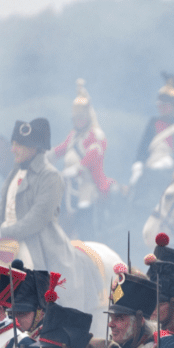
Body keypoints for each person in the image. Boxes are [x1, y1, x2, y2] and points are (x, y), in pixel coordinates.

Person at [0, 118, 64, 272]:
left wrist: (1, 233)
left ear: (33, 148)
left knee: (28, 274)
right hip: (6, 239)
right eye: (13, 144)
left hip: (35, 243)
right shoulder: (14, 172)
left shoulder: (50, 177)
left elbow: (37, 219)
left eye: (18, 145)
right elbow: (1, 210)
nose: (13, 149)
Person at [52, 79, 112, 239]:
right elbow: (61, 149)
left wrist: (78, 168)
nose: (79, 121)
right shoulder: (73, 135)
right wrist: (48, 156)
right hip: (68, 183)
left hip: (88, 183)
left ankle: (87, 240)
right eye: (76, 118)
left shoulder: (96, 135)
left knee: (84, 207)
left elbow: (93, 155)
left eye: (82, 118)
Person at [130, 74, 174, 216]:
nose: (162, 107)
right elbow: (142, 149)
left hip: (170, 171)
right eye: (161, 104)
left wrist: (168, 162)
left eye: (166, 104)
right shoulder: (153, 123)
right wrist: (138, 166)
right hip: (148, 169)